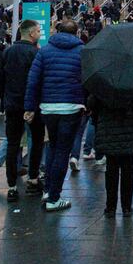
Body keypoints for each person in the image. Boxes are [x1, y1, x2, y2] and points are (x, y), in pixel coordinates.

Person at [24, 19, 85, 212]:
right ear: (77, 32)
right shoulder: (82, 51)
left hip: (48, 108)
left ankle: (48, 190)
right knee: (62, 151)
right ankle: (54, 197)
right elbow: (88, 79)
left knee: (52, 146)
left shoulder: (45, 51)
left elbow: (33, 81)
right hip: (71, 107)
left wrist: (30, 107)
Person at [0, 19, 44, 202]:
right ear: (32, 33)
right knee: (36, 141)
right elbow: (38, 82)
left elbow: (0, 79)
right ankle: (33, 179)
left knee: (12, 144)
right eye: (39, 31)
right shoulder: (35, 53)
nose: (40, 34)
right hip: (31, 106)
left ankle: (11, 186)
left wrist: (3, 101)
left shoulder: (8, 52)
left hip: (12, 105)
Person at [91, 94, 133, 218]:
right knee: (128, 169)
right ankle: (126, 207)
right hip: (131, 129)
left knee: (111, 168)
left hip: (109, 129)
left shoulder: (103, 82)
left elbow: (92, 103)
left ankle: (110, 207)